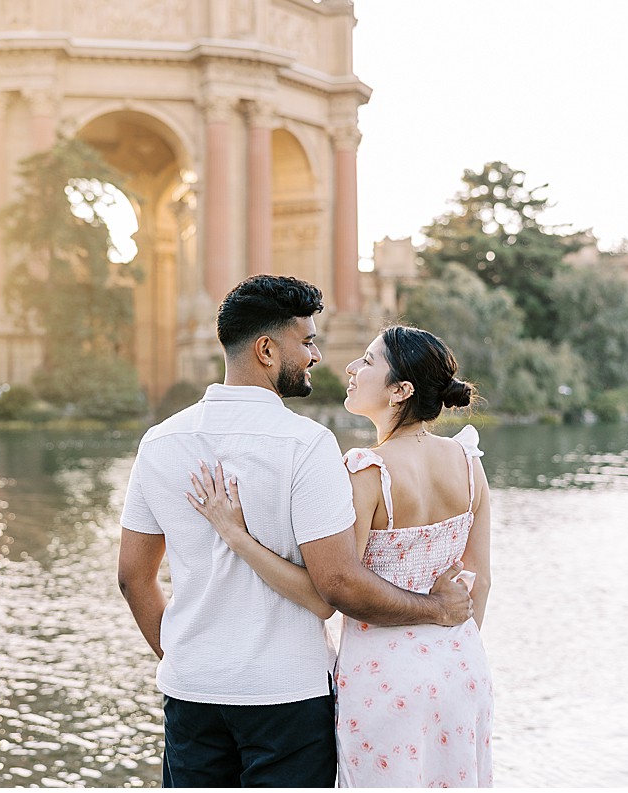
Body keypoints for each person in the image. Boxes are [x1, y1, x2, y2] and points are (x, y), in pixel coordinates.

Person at [117, 276, 472, 788]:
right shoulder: (306, 445)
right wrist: (437, 610)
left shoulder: (160, 441)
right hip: (286, 698)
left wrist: (184, 658)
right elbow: (338, 587)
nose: (316, 355)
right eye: (306, 342)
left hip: (192, 692)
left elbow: (133, 577)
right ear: (266, 349)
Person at [188, 324, 494, 787]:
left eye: (368, 362)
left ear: (401, 391)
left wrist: (237, 535)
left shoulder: (367, 471)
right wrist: (447, 651)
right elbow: (481, 582)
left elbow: (330, 587)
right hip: (461, 668)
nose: (351, 367)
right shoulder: (469, 462)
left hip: (383, 679)